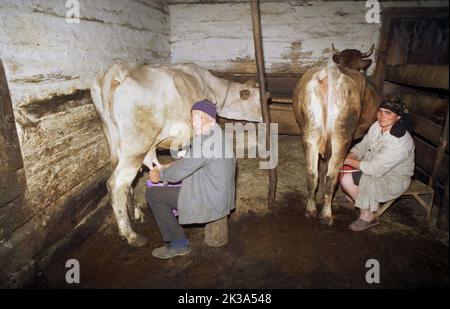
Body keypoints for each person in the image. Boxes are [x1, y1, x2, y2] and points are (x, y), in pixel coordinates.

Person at [146, 99, 236, 259]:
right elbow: (193, 160)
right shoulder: (216, 135)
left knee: (154, 195)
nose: (194, 123)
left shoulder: (205, 143)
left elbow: (178, 174)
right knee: (173, 185)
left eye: (198, 118)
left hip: (210, 199)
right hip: (219, 193)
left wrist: (159, 175)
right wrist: (170, 165)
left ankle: (178, 244)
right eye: (192, 118)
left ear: (211, 119)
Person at [340, 95, 415, 231]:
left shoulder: (399, 141)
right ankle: (357, 197)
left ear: (398, 117)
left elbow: (373, 169)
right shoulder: (377, 125)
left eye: (388, 113)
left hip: (392, 179)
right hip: (373, 166)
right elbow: (363, 145)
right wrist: (353, 154)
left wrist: (344, 159)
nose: (382, 116)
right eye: (380, 111)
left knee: (346, 179)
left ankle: (368, 216)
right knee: (343, 169)